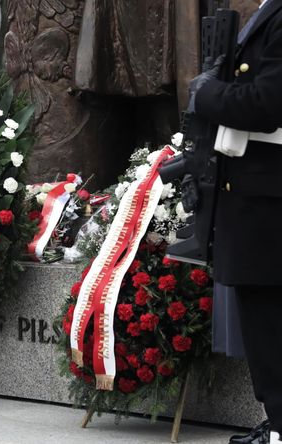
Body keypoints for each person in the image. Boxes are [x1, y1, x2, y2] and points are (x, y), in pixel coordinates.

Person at [191, 0, 282, 442]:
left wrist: (208, 94)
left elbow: (267, 102)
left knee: (270, 327)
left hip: (269, 206)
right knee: (266, 329)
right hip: (257, 201)